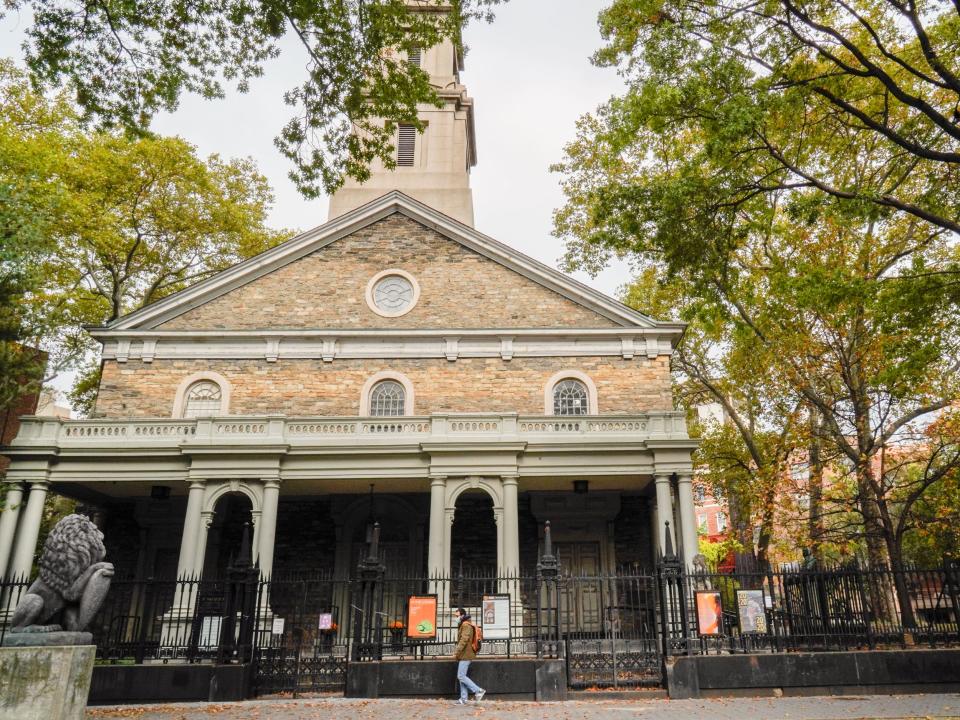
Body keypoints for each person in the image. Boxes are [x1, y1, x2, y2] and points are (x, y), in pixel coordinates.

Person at [453, 607, 485, 705]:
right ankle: (463, 699)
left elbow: (464, 640)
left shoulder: (466, 625)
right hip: (464, 654)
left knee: (461, 676)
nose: (456, 617)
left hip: (466, 654)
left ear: (462, 615)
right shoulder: (464, 624)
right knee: (462, 676)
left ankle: (478, 690)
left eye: (457, 615)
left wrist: (456, 652)